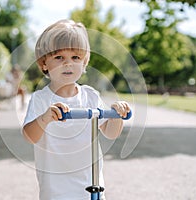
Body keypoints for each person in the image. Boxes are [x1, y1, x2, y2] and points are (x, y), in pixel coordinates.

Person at [22, 19, 131, 200]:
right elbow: (29, 136)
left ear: (84, 62)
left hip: (91, 184)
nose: (68, 64)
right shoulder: (41, 99)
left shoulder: (90, 96)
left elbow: (110, 133)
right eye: (59, 57)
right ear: (44, 63)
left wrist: (116, 116)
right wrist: (44, 118)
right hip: (56, 189)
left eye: (75, 58)